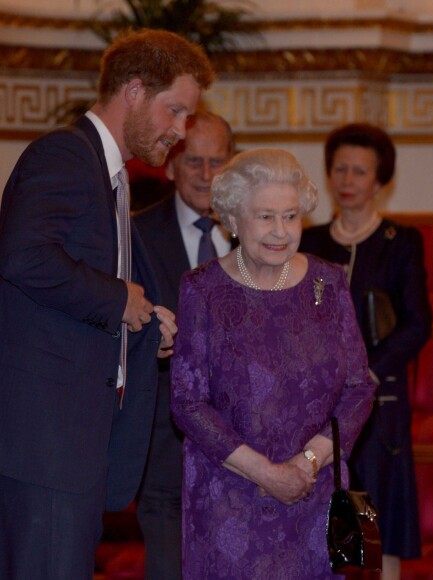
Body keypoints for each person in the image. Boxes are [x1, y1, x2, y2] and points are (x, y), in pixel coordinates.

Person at [0, 29, 214, 580]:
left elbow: (85, 296)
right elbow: (23, 257)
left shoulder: (111, 177)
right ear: (135, 91)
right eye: (176, 111)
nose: (181, 131)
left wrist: (144, 322)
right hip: (46, 445)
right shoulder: (66, 155)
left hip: (75, 448)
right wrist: (120, 298)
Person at [170, 148, 377, 579]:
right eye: (265, 217)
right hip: (230, 503)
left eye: (290, 216)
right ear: (232, 219)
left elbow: (359, 386)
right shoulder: (202, 289)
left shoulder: (330, 283)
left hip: (314, 497)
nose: (280, 232)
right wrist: (266, 473)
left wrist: (309, 462)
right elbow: (187, 402)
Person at [300, 122, 433, 579]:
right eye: (340, 170)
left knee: (381, 529)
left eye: (360, 172)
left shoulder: (400, 242)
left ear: (380, 181)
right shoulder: (309, 242)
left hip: (380, 403)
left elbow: (418, 324)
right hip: (316, 405)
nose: (348, 181)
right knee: (322, 525)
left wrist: (367, 375)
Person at [134, 111, 235, 580]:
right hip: (164, 448)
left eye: (218, 161)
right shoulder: (135, 234)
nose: (207, 175)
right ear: (170, 164)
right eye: (194, 160)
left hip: (244, 452)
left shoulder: (258, 235)